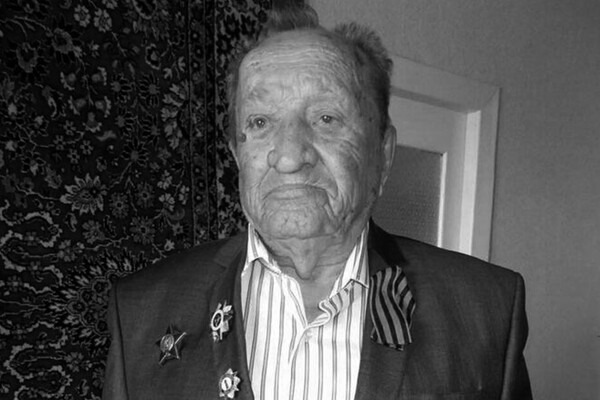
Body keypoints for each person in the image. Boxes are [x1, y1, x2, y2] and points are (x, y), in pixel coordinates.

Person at [102, 5, 532, 400]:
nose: (289, 157)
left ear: (382, 155)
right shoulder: (140, 311)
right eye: (260, 121)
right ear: (237, 154)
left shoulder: (487, 309)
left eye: (326, 118)